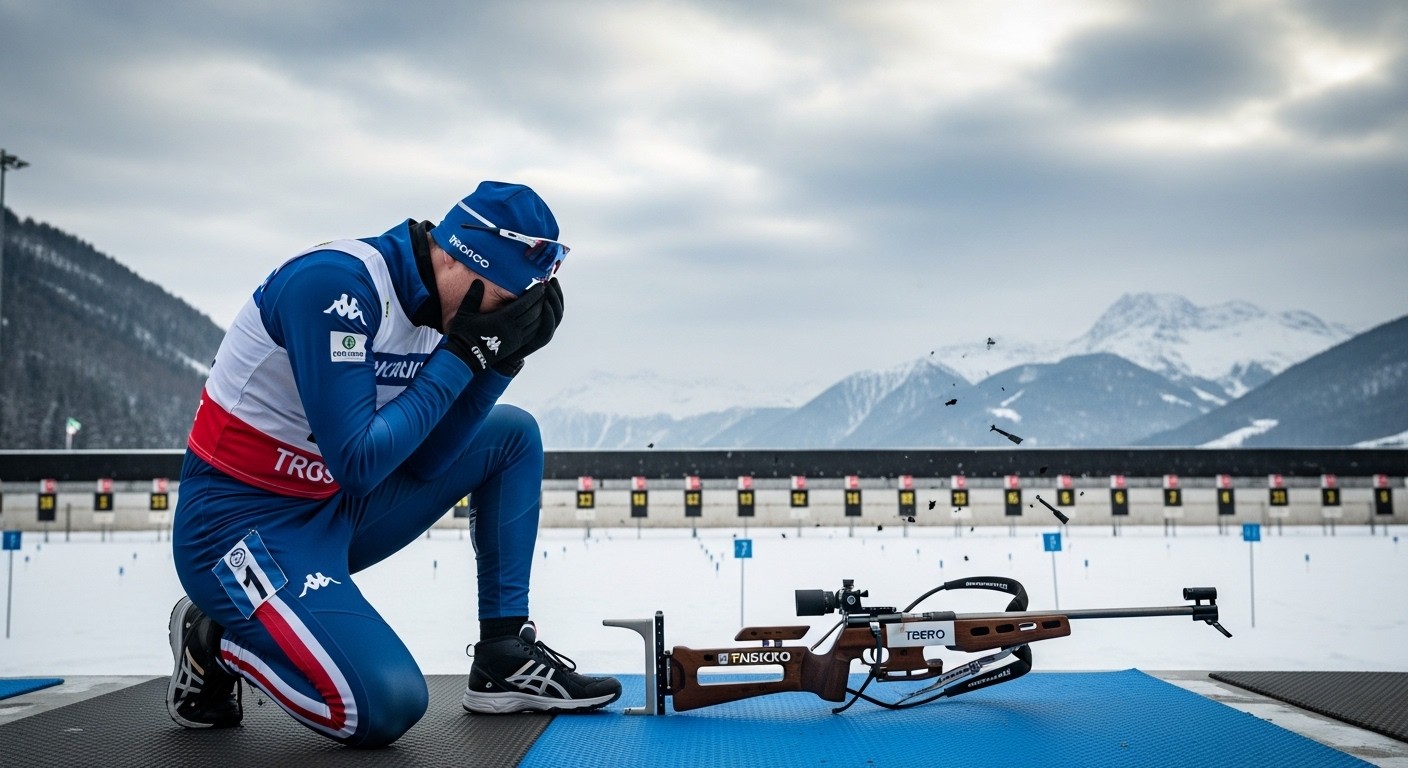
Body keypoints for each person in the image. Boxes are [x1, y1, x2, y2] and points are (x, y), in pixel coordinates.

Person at [165, 181, 620, 748]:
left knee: (513, 434)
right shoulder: (334, 286)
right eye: (506, 304)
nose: (501, 320)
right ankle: (213, 640)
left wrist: (501, 360)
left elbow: (429, 460)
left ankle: (503, 653)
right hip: (239, 525)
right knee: (380, 707)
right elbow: (358, 460)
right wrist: (463, 355)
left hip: (332, 508)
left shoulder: (451, 306)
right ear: (456, 256)